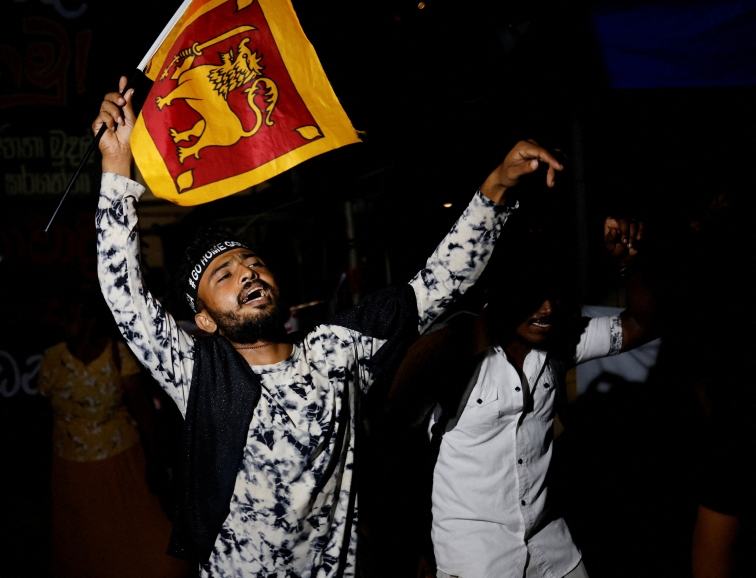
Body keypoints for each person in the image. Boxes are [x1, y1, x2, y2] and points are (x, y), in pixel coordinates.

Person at [91, 78, 563, 577]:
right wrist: (116, 166)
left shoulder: (336, 351)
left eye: (254, 262)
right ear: (204, 318)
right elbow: (123, 294)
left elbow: (439, 282)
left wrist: (497, 186)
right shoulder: (198, 374)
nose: (247, 272)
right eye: (223, 275)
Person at [387, 215, 656, 578]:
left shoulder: (560, 340)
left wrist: (630, 264)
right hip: (476, 559)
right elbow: (396, 444)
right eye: (531, 294)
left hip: (551, 547)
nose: (547, 309)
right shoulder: (449, 348)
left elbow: (641, 324)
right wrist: (418, 541)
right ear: (495, 290)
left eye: (554, 294)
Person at [37, 287, 188, 578]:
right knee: (86, 535)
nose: (63, 322)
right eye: (62, 316)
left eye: (70, 316)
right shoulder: (52, 358)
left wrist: (154, 458)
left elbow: (143, 409)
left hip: (121, 460)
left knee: (134, 527)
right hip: (71, 465)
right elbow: (43, 412)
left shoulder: (116, 354)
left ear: (89, 320)